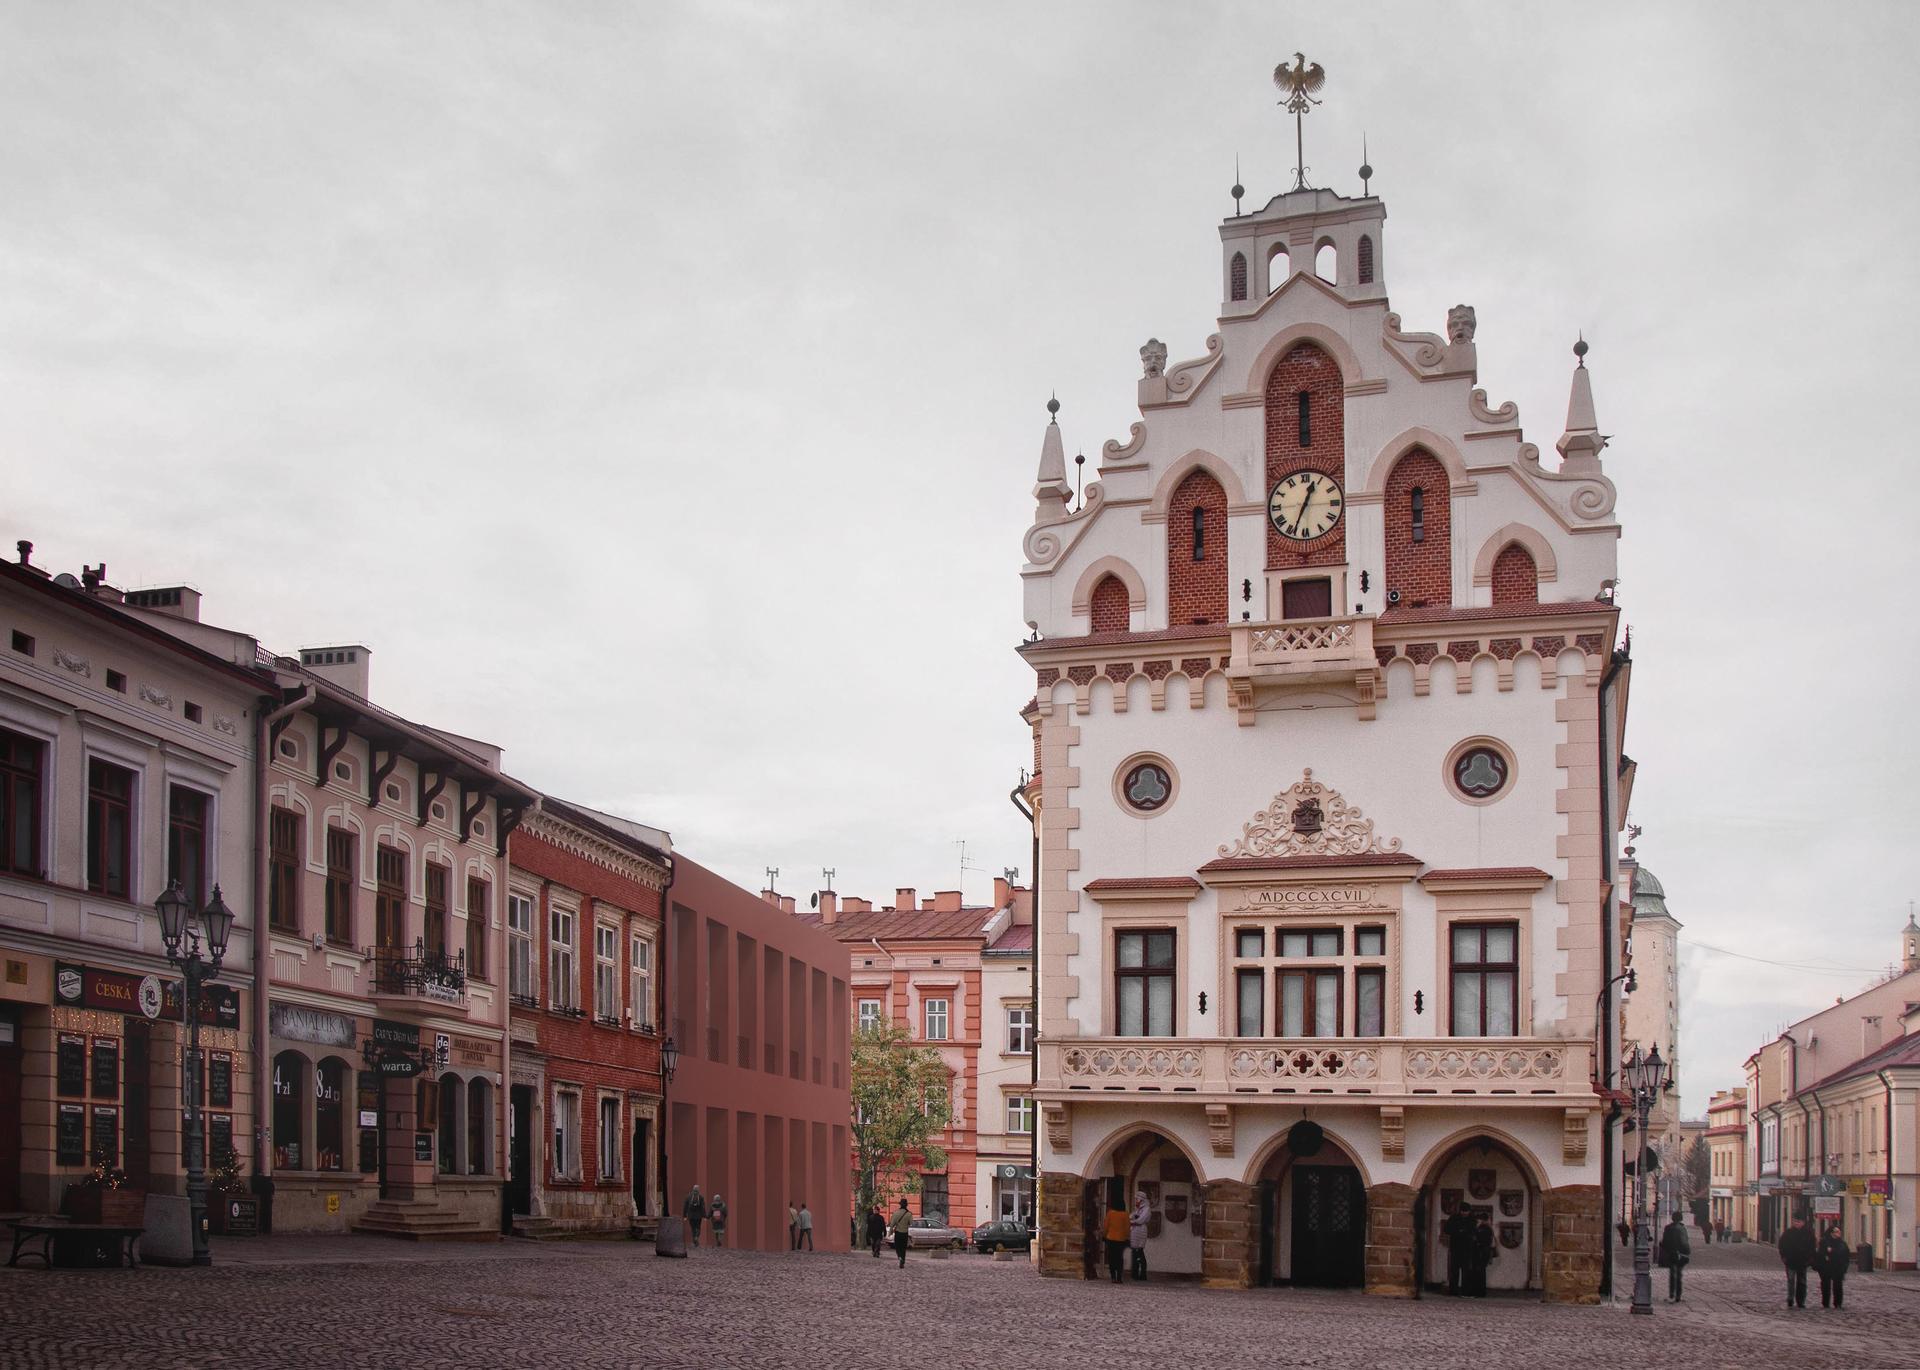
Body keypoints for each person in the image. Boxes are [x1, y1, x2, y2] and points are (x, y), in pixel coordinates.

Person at [1779, 1213, 1816, 1309]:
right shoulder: (1788, 1233)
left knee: (1802, 1282)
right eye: (1795, 1221)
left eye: (1798, 1221)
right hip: (1790, 1261)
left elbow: (1812, 1247)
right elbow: (1782, 1245)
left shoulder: (1808, 1234)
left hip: (1803, 1262)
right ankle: (1790, 1298)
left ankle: (1801, 1301)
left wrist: (1809, 1259)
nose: (1797, 1223)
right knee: (1791, 1280)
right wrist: (1784, 1257)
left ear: (1803, 1222)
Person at [1817, 1222, 1851, 1310]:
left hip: (1838, 1267)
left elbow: (1845, 1255)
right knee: (1825, 1285)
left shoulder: (1842, 1243)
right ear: (1831, 1233)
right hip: (1826, 1267)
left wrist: (1844, 1267)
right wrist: (1825, 1257)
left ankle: (1838, 1303)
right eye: (1836, 1231)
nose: (1838, 1233)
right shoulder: (1824, 1242)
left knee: (1838, 1286)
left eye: (1839, 1231)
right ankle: (1825, 1303)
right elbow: (1820, 1253)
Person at [1660, 1212, 1691, 1302]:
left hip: (1671, 1253)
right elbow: (1684, 1242)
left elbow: (1664, 1241)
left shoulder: (1668, 1228)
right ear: (1681, 1218)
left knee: (1672, 1275)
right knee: (1679, 1275)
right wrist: (1687, 1252)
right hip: (1681, 1254)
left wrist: (1666, 1250)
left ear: (1672, 1218)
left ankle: (1671, 1294)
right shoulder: (1682, 1228)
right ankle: (1678, 1295)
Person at [1444, 1207, 1475, 1295]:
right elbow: (1446, 1229)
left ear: (1469, 1211)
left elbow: (1473, 1231)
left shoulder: (1472, 1219)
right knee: (1454, 1270)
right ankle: (1453, 1290)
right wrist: (1458, 1231)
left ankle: (1466, 1291)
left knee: (1466, 1271)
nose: (1464, 1213)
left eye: (1466, 1211)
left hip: (1467, 1248)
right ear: (1460, 1211)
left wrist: (1463, 1232)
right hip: (1455, 1248)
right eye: (1463, 1211)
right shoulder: (1454, 1218)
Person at [1467, 1212, 1497, 1298]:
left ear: (1482, 1220)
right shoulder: (1488, 1228)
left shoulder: (1484, 1228)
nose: (1477, 1221)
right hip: (1483, 1252)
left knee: (1478, 1272)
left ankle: (1478, 1292)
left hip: (1481, 1252)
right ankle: (1479, 1291)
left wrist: (1476, 1231)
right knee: (1480, 1272)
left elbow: (1478, 1239)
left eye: (1479, 1219)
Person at [1102, 1200, 1129, 1283]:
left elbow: (1106, 1226)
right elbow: (1127, 1228)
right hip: (1121, 1239)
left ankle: (1113, 1276)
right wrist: (1127, 1237)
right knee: (1119, 1258)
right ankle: (1119, 1277)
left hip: (1111, 1238)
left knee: (1111, 1258)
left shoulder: (1110, 1213)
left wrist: (1104, 1235)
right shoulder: (1125, 1214)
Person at [1128, 1192, 1150, 1281]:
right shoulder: (1137, 1209)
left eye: (1137, 1199)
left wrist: (1133, 1221)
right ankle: (1135, 1273)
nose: (1136, 1201)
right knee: (1135, 1252)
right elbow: (1130, 1216)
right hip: (1134, 1231)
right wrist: (1133, 1220)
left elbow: (1140, 1220)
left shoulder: (1147, 1209)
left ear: (1141, 1200)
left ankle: (1142, 1274)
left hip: (1141, 1231)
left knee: (1139, 1251)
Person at [889, 1198, 912, 1267]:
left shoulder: (896, 1213)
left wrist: (890, 1232)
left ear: (900, 1205)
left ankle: (900, 1257)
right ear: (906, 1205)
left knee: (897, 1247)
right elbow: (911, 1223)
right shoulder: (909, 1214)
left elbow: (892, 1224)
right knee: (903, 1248)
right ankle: (903, 1261)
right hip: (905, 1233)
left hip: (898, 1233)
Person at [682, 1185, 706, 1249]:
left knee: (693, 1228)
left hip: (691, 1216)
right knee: (698, 1227)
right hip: (698, 1216)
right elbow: (702, 1207)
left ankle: (694, 1240)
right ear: (698, 1190)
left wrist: (684, 1216)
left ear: (693, 1189)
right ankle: (696, 1237)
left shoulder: (688, 1197)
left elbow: (685, 1207)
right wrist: (704, 1216)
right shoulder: (701, 1197)